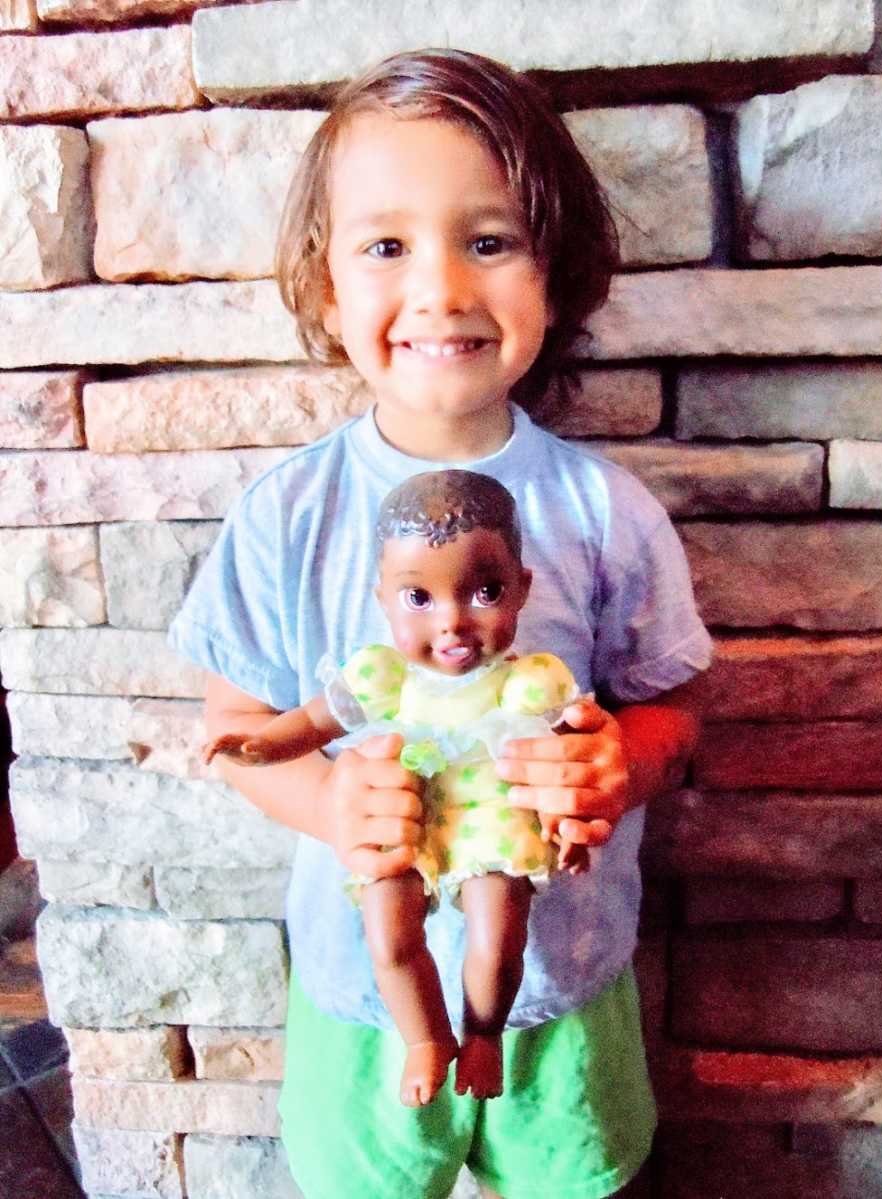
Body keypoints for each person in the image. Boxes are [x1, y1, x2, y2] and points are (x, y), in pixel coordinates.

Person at [169, 47, 713, 1199]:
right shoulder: (286, 515)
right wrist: (322, 795)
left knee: (576, 1178)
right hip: (367, 986)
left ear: (554, 272)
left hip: (561, 978)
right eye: (385, 246)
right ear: (326, 285)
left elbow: (675, 707)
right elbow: (239, 722)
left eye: (489, 239)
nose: (444, 289)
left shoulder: (602, 510)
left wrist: (623, 761)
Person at [203, 468, 589, 1107]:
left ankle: (484, 1031)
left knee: (497, 936)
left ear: (522, 590)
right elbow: (311, 723)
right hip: (399, 807)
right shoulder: (381, 676)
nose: (452, 624)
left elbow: (568, 758)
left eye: (484, 592)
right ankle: (426, 1038)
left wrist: (569, 822)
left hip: (491, 811)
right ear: (382, 596)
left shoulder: (531, 684)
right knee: (389, 936)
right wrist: (258, 744)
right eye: (419, 599)